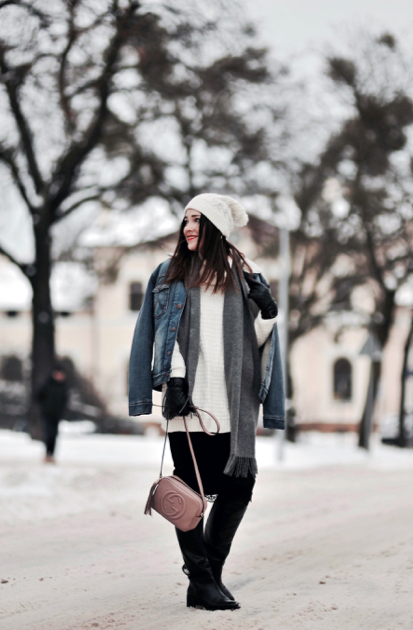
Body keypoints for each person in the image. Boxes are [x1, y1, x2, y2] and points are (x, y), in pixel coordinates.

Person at [128, 193, 285, 611]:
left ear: (217, 228)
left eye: (197, 220)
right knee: (190, 493)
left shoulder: (244, 278)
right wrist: (173, 380)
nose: (188, 228)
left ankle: (208, 578)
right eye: (185, 220)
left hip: (235, 403)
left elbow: (258, 346)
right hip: (189, 401)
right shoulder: (171, 274)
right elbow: (164, 332)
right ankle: (201, 580)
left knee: (240, 487)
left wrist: (268, 312)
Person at [36, 365, 69, 464]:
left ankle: (51, 454)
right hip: (47, 414)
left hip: (57, 414)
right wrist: (45, 407)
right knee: (48, 433)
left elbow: (65, 400)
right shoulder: (48, 384)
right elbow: (38, 396)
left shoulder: (63, 386)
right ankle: (47, 454)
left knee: (54, 435)